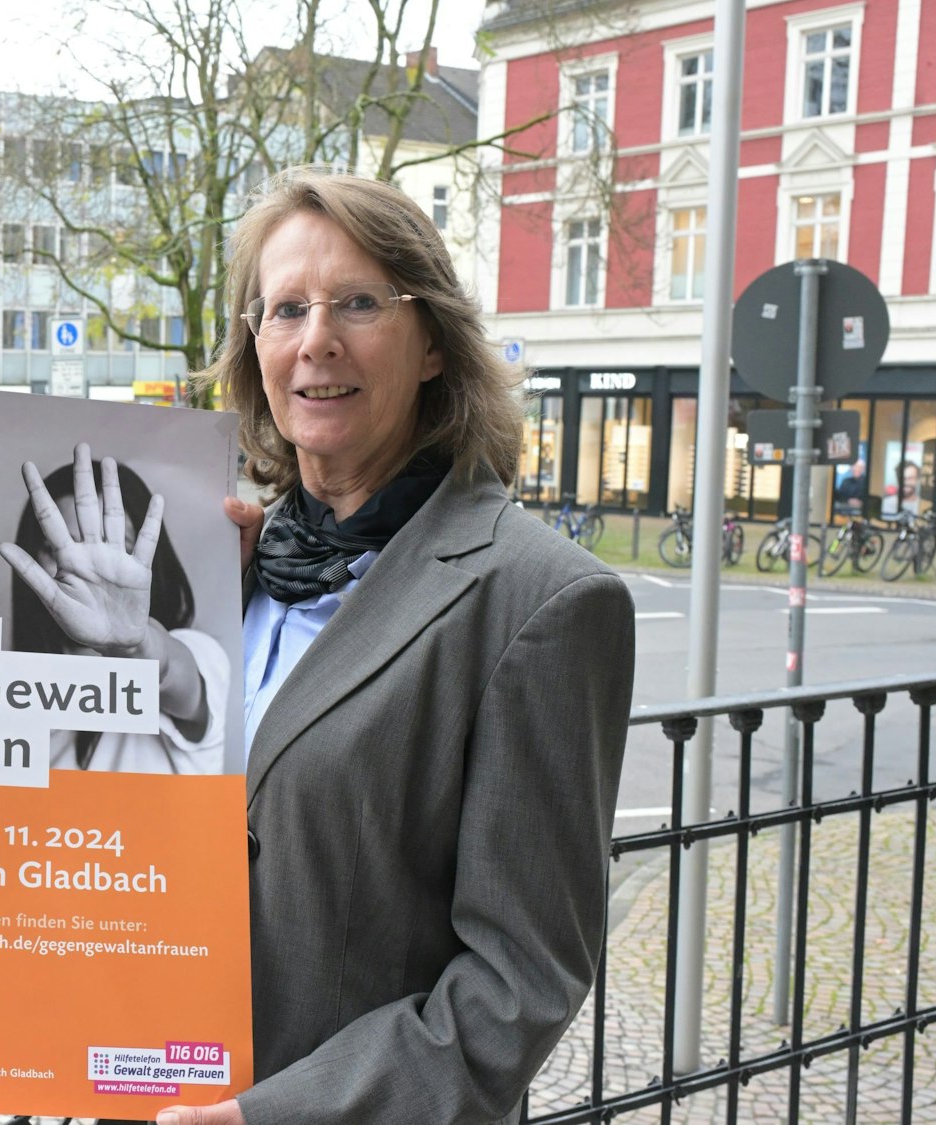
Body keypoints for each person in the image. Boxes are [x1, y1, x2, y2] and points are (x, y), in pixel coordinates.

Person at [156, 169, 635, 1125]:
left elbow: (517, 983)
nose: (316, 339)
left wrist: (276, 1115)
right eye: (285, 307)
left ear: (431, 345)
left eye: (360, 302)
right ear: (256, 347)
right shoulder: (212, 561)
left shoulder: (538, 599)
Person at [1, 444, 227, 773]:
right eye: (58, 550)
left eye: (117, 549)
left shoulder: (198, 652)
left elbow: (171, 676)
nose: (86, 571)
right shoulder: (12, 694)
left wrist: (133, 645)